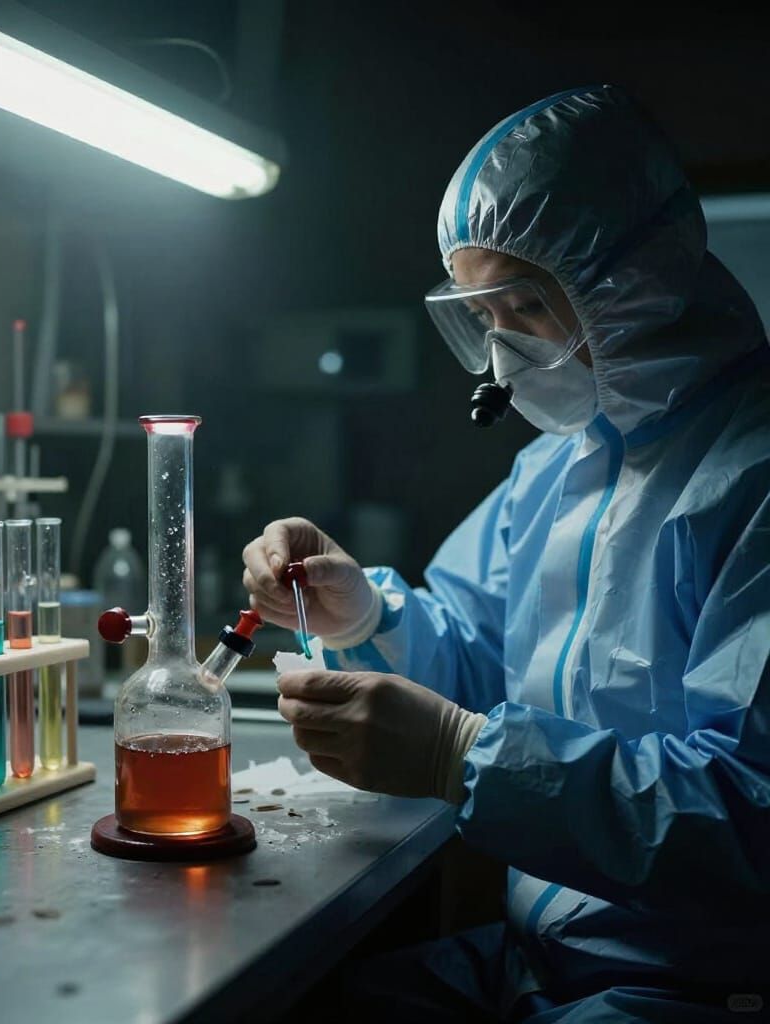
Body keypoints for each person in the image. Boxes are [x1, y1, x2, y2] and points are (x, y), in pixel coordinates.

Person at [242, 85, 770, 1021]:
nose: (502, 354)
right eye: (486, 314)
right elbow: (486, 659)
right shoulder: (555, 469)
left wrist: (464, 754)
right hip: (538, 961)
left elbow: (743, 818)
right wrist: (364, 612)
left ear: (635, 281)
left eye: (525, 305)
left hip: (684, 984)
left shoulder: (750, 479)